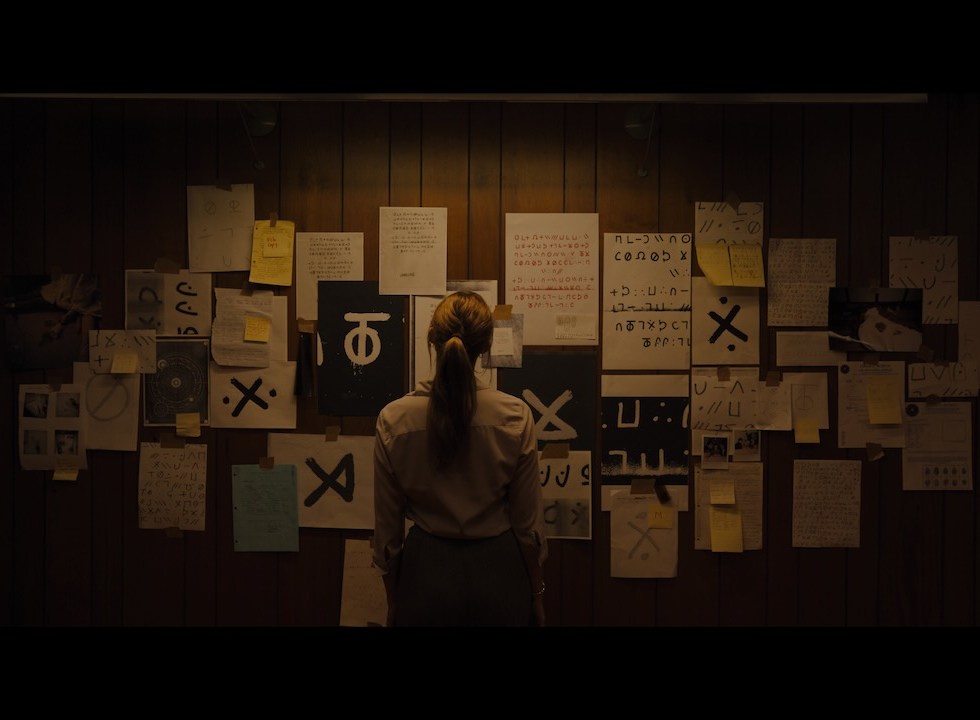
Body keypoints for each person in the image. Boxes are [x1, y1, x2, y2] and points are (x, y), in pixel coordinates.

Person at [373, 291, 548, 627]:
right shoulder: (514, 416)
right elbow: (528, 527)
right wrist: (537, 592)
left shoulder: (394, 420)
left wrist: (394, 600)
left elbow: (387, 534)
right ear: (486, 345)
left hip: (425, 574)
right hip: (499, 572)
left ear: (432, 339)